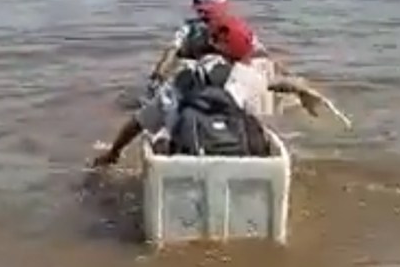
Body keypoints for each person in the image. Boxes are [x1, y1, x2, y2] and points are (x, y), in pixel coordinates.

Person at [91, 14, 330, 167]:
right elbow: (281, 83)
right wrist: (302, 92)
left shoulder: (181, 80)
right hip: (240, 160)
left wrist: (113, 153)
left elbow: (136, 124)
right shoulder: (245, 77)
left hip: (189, 162)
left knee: (163, 136)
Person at [147, 0, 267, 90]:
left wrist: (159, 73)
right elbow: (258, 51)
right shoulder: (237, 29)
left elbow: (171, 50)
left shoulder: (190, 29)